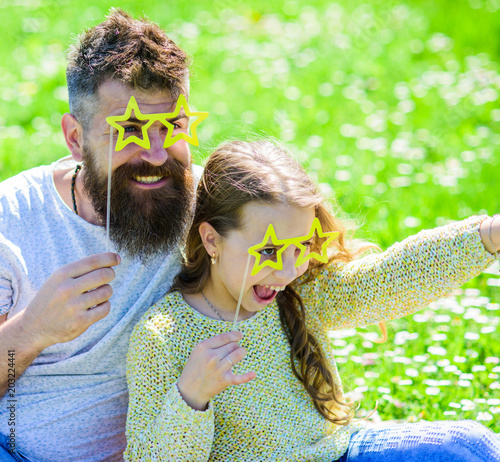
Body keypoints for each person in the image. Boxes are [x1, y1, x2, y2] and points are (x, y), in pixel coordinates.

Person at [125, 140, 500, 461]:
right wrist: (191, 397)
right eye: (269, 250)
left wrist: (487, 236)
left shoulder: (298, 292)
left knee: (466, 446)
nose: (288, 271)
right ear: (211, 240)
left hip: (344, 450)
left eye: (301, 246)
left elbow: (388, 280)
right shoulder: (162, 336)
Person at [0, 9, 201, 462]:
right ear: (75, 138)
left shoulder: (211, 207)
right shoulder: (11, 219)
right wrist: (32, 330)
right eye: (128, 130)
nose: (154, 154)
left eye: (172, 127)